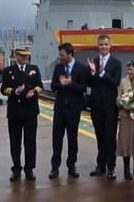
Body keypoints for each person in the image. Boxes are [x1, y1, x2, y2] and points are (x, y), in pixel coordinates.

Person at [2, 47, 42, 182]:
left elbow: (40, 86)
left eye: (26, 56)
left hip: (30, 111)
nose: (25, 58)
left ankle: (29, 168)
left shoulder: (34, 69)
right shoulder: (8, 71)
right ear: (16, 55)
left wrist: (34, 92)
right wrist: (15, 91)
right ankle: (16, 169)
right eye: (22, 55)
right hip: (15, 111)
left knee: (30, 142)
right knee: (15, 142)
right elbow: (3, 89)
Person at [49, 42, 89, 179]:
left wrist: (70, 83)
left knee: (72, 139)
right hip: (60, 109)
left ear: (70, 54)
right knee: (57, 139)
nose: (60, 57)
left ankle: (71, 165)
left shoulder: (81, 69)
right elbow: (53, 86)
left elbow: (83, 88)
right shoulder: (58, 68)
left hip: (74, 109)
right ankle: (55, 167)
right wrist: (61, 84)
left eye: (62, 55)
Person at [88, 34, 123, 179]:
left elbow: (115, 82)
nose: (103, 47)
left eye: (106, 44)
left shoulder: (116, 63)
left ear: (110, 46)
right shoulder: (94, 62)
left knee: (110, 136)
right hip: (96, 105)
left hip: (110, 106)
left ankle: (111, 167)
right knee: (99, 136)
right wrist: (92, 72)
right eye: (101, 44)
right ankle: (100, 165)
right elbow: (89, 83)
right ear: (98, 46)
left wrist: (102, 72)